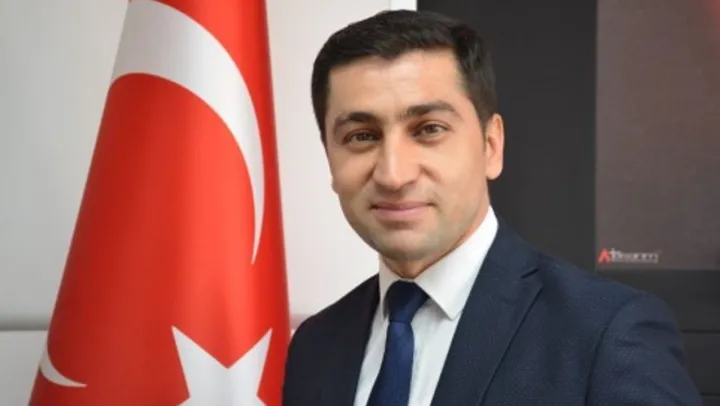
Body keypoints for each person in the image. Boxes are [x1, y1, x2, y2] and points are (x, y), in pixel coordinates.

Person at [282, 9, 702, 406]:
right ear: (330, 159)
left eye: (429, 130)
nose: (394, 174)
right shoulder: (315, 347)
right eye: (361, 136)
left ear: (491, 145)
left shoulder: (608, 334)